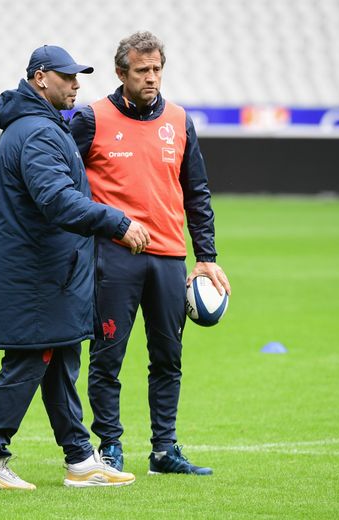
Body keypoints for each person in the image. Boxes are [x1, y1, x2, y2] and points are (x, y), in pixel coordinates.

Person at [0, 45, 149, 490]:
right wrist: (117, 222)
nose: (76, 84)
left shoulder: (40, 126)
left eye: (77, 76)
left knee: (61, 360)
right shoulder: (38, 132)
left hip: (49, 272)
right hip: (36, 275)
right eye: (67, 76)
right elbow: (57, 200)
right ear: (41, 78)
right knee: (29, 361)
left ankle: (81, 459)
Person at [70, 31, 232, 476]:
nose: (152, 77)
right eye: (142, 70)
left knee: (168, 358)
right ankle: (110, 447)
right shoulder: (91, 119)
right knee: (107, 358)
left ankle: (164, 450)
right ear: (121, 73)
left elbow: (197, 193)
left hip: (169, 258)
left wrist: (206, 256)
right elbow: (64, 185)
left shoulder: (179, 121)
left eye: (157, 69)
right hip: (113, 257)